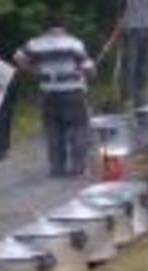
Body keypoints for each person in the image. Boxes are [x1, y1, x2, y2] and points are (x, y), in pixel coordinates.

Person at [14, 13, 96, 177]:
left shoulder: (35, 43)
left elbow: (17, 57)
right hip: (72, 91)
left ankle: (57, 168)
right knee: (78, 128)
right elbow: (88, 68)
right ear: (64, 27)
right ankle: (78, 168)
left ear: (46, 28)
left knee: (53, 130)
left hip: (48, 92)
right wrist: (91, 73)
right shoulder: (74, 43)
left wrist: (34, 71)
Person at [114, 0, 148, 109]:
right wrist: (119, 25)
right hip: (130, 30)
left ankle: (141, 98)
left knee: (144, 67)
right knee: (129, 66)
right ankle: (127, 99)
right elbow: (120, 8)